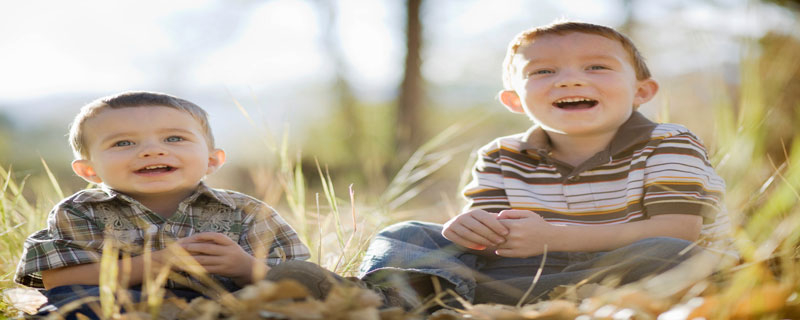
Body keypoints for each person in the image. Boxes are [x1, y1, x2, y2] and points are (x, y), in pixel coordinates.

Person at [355, 21, 733, 308]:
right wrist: (470, 229)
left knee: (671, 253)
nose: (569, 81)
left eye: (597, 67)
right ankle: (392, 298)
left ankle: (455, 301)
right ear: (514, 100)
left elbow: (679, 229)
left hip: (629, 265)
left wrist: (555, 236)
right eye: (543, 72)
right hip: (527, 271)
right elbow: (488, 239)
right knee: (408, 234)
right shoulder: (501, 155)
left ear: (641, 91)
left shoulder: (668, 143)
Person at [14, 91, 310, 319]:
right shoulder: (80, 211)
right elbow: (59, 279)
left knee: (292, 302)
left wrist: (245, 267)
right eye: (123, 143)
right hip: (123, 309)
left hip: (223, 308)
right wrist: (161, 261)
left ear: (212, 160)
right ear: (89, 170)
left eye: (174, 138)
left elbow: (298, 280)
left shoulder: (246, 212)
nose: (153, 150)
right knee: (73, 304)